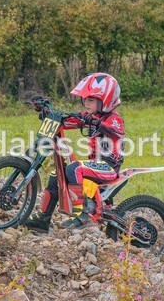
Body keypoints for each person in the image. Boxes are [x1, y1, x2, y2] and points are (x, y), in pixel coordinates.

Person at [26, 73, 125, 233]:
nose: (86, 103)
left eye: (91, 100)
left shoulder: (113, 119)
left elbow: (117, 130)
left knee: (74, 168)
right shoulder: (91, 116)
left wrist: (97, 123)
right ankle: (43, 219)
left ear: (105, 100)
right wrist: (50, 114)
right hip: (95, 164)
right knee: (55, 174)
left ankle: (81, 214)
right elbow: (71, 120)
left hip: (108, 167)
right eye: (85, 99)